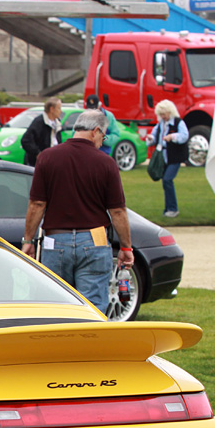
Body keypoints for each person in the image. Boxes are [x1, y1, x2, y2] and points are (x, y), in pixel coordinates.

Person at [21, 110, 134, 314]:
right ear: (95, 131)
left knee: (57, 307)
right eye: (103, 135)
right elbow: (117, 211)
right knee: (92, 309)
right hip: (95, 240)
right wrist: (126, 247)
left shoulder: (47, 157)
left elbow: (37, 204)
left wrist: (28, 240)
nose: (102, 140)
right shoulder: (106, 163)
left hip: (55, 241)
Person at [148, 100, 189, 218]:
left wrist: (172, 137)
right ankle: (168, 208)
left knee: (167, 180)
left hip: (175, 157)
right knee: (165, 182)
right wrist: (151, 138)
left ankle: (173, 208)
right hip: (164, 156)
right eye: (160, 114)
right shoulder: (161, 123)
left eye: (164, 114)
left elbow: (184, 136)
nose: (162, 117)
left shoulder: (178, 122)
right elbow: (155, 135)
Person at [20, 97, 62, 167]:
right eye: (59, 108)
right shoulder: (39, 122)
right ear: (51, 109)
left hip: (52, 161)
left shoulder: (58, 123)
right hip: (38, 164)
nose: (60, 111)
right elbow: (26, 140)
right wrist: (38, 154)